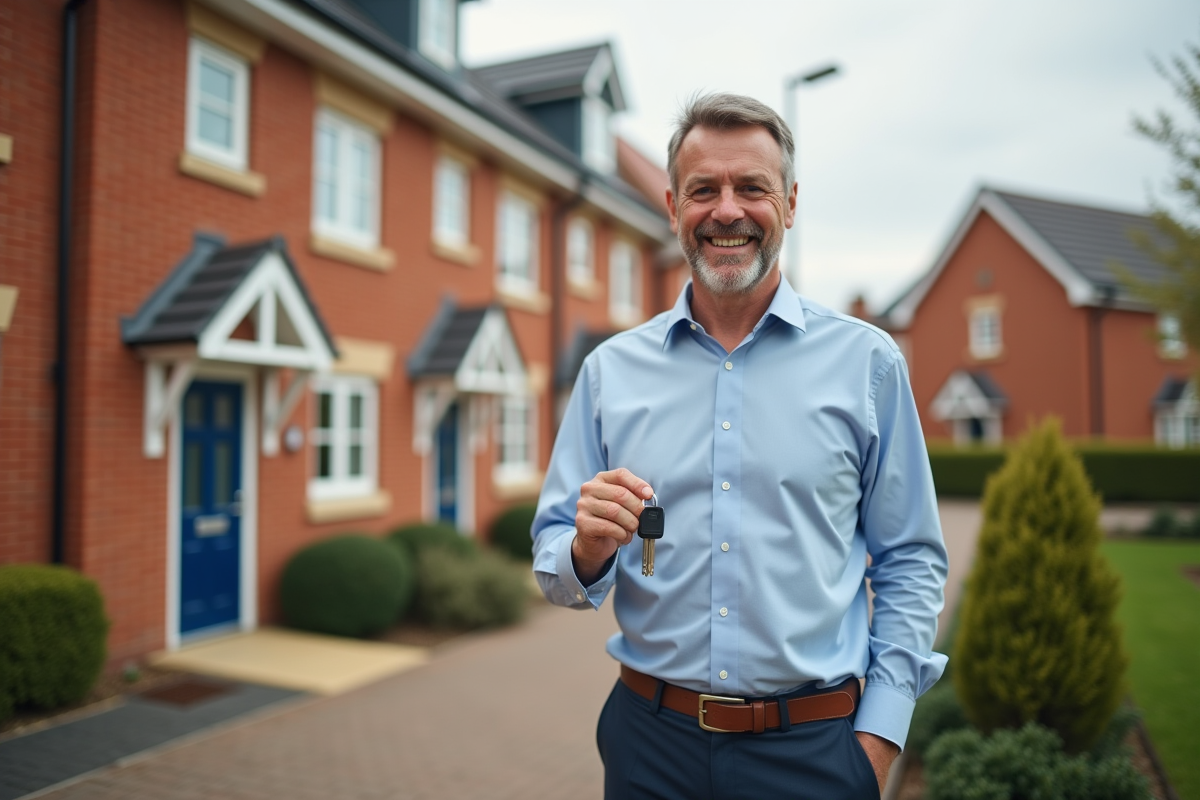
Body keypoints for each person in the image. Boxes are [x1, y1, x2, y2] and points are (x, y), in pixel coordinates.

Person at [532, 93, 948, 800]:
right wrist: (586, 550)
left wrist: (877, 741)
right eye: (704, 190)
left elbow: (909, 559)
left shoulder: (868, 364)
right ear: (672, 207)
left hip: (816, 754)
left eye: (751, 187)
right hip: (648, 747)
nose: (727, 210)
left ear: (788, 205)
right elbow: (555, 567)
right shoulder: (609, 373)